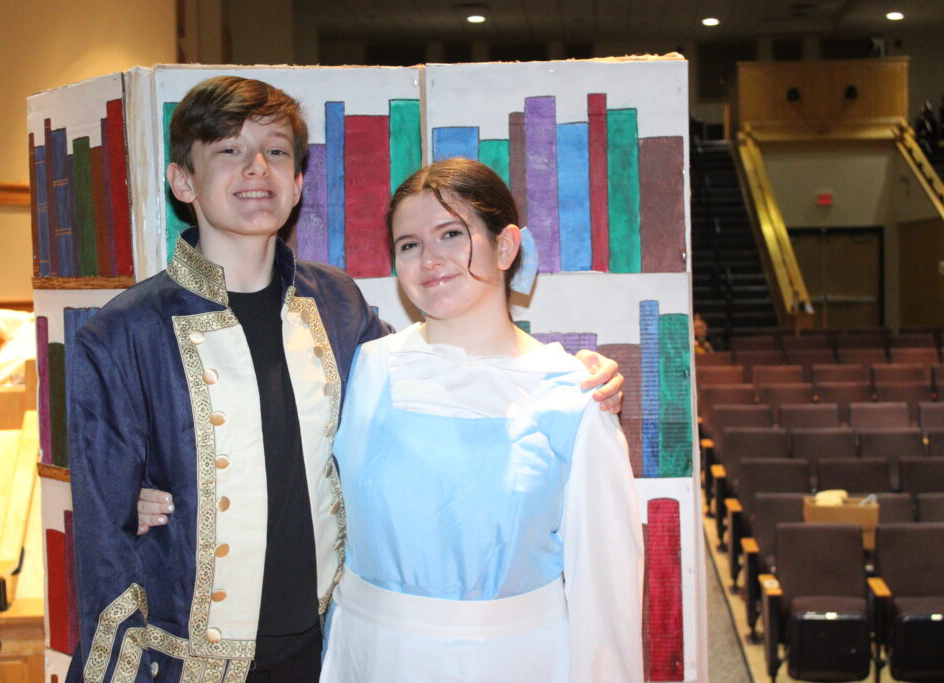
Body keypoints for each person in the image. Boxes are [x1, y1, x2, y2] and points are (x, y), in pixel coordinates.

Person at [72, 76, 624, 683]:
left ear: (298, 183)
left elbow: (451, 363)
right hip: (184, 661)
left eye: (276, 151)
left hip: (326, 648)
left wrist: (569, 376)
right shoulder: (122, 335)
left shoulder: (336, 306)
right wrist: (137, 500)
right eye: (229, 149)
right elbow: (104, 548)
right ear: (183, 181)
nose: (257, 167)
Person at [319, 159, 643, 681]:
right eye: (409, 244)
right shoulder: (362, 369)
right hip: (369, 657)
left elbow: (607, 591)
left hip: (516, 661)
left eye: (451, 234)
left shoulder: (575, 394)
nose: (430, 259)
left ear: (506, 246)